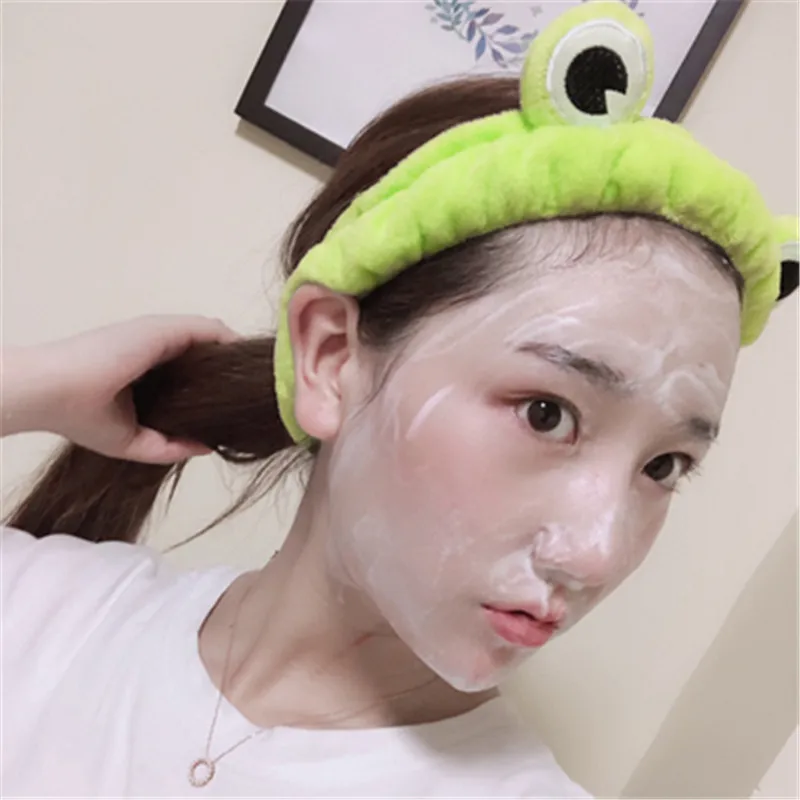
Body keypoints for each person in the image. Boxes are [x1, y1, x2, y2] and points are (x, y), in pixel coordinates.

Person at [1, 2, 797, 797]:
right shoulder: (41, 609)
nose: (598, 554)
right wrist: (36, 381)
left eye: (664, 466)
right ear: (329, 357)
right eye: (547, 413)